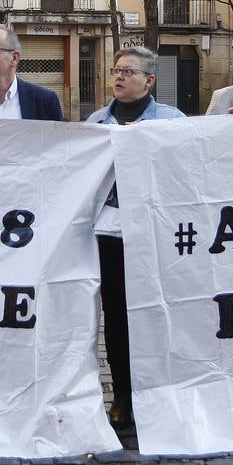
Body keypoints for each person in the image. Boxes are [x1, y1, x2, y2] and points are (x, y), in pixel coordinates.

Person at [86, 47, 185, 427]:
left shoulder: (171, 121)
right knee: (115, 317)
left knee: (155, 313)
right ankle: (124, 396)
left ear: (150, 80)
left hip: (154, 233)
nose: (120, 76)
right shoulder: (97, 121)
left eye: (129, 71)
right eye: (116, 69)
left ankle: (157, 393)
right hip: (110, 237)